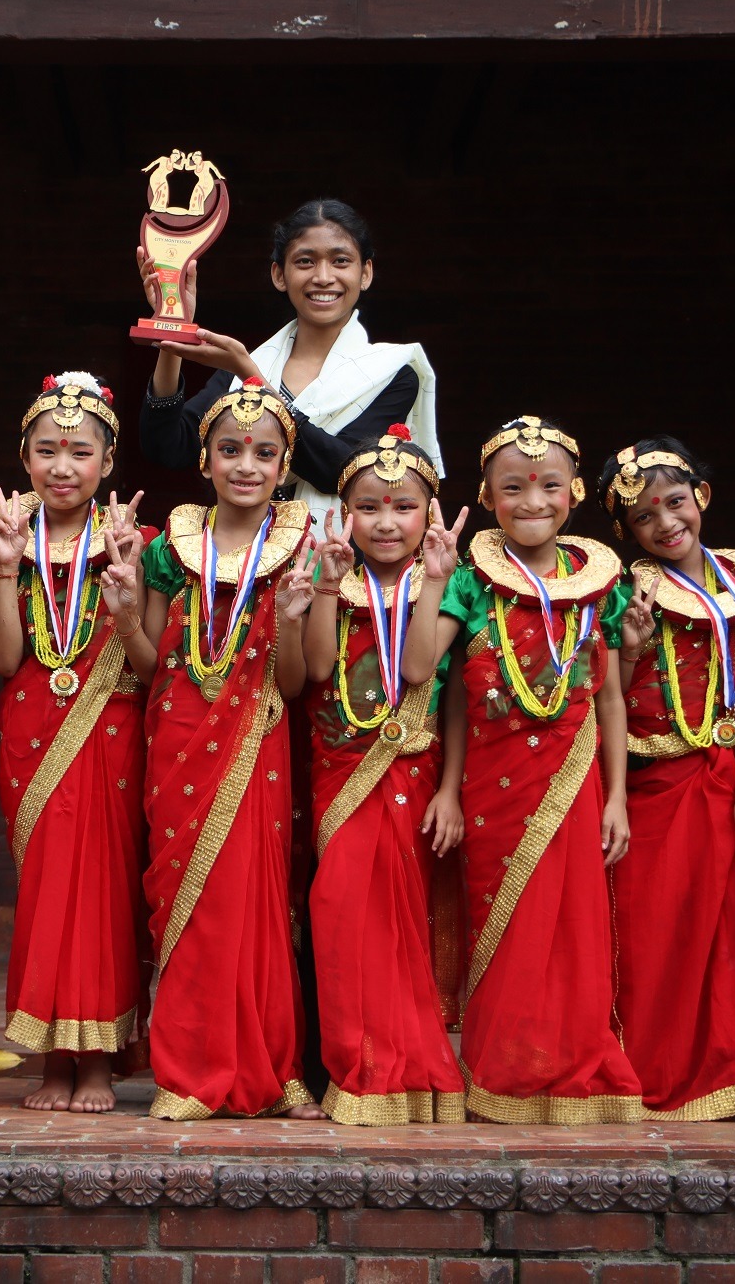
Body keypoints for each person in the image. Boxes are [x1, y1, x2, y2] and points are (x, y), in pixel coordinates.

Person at [402, 416, 644, 1123]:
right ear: (487, 495)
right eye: (512, 488)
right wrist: (434, 578)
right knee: (503, 927)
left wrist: (619, 797)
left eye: (547, 486)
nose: (532, 501)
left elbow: (611, 698)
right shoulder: (475, 582)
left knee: (572, 929)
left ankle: (571, 1071)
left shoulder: (602, 583)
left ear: (574, 491)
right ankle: (504, 1075)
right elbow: (425, 672)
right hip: (491, 788)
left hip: (576, 785)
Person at [135, 377, 322, 1119]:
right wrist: (123, 618)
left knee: (254, 901)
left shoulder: (300, 545)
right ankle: (186, 1070)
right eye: (230, 449)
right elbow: (152, 665)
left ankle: (270, 1069)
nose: (247, 464)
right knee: (187, 898)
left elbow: (299, 681)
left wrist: (297, 615)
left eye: (265, 453)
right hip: (178, 737)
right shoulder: (169, 546)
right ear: (204, 460)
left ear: (285, 466)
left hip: (258, 742)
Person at [595, 438, 735, 1119]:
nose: (667, 522)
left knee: (729, 930)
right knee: (656, 931)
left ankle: (734, 1075)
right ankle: (652, 1073)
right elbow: (606, 695)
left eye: (676, 502)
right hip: (658, 781)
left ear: (701, 496)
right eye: (646, 517)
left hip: (734, 780)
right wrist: (633, 648)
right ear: (627, 533)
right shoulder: (625, 593)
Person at [0, 372, 155, 1114]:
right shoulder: (8, 537)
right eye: (47, 450)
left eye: (79, 451)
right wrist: (4, 567)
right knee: (47, 895)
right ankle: (55, 1058)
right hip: (32, 731)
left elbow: (150, 659)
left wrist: (128, 589)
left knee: (106, 896)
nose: (62, 466)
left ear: (108, 462)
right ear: (24, 458)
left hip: (111, 732)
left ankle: (100, 1063)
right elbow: (0, 657)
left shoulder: (138, 540)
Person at [300, 426, 468, 1124]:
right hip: (338, 775)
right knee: (339, 914)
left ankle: (412, 1071)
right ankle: (353, 1068)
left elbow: (425, 671)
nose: (387, 521)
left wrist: (453, 789)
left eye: (404, 506)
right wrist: (325, 587)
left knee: (406, 927)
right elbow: (313, 669)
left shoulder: (456, 583)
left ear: (430, 512)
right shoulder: (329, 577)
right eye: (369, 506)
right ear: (345, 513)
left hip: (413, 777)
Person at [137, 198, 439, 525]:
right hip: (242, 559)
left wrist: (254, 379)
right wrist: (172, 327)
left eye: (340, 261)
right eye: (305, 262)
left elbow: (345, 472)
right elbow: (168, 448)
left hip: (334, 561)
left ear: (365, 273)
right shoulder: (247, 367)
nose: (323, 277)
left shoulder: (391, 372)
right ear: (279, 275)